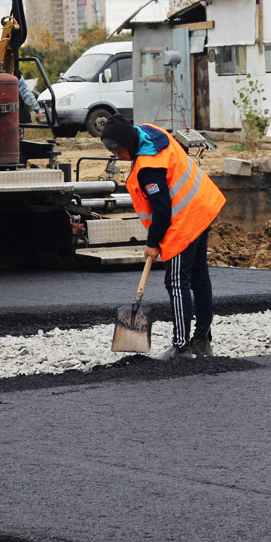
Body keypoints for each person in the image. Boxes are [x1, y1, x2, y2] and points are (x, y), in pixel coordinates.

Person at [101, 115, 226, 360]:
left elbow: (161, 209)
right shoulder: (151, 132)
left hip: (184, 220)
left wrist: (152, 244)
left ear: (128, 142)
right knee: (199, 278)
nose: (116, 156)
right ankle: (202, 340)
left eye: (118, 150)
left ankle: (181, 346)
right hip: (202, 205)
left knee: (177, 282)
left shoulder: (148, 167)